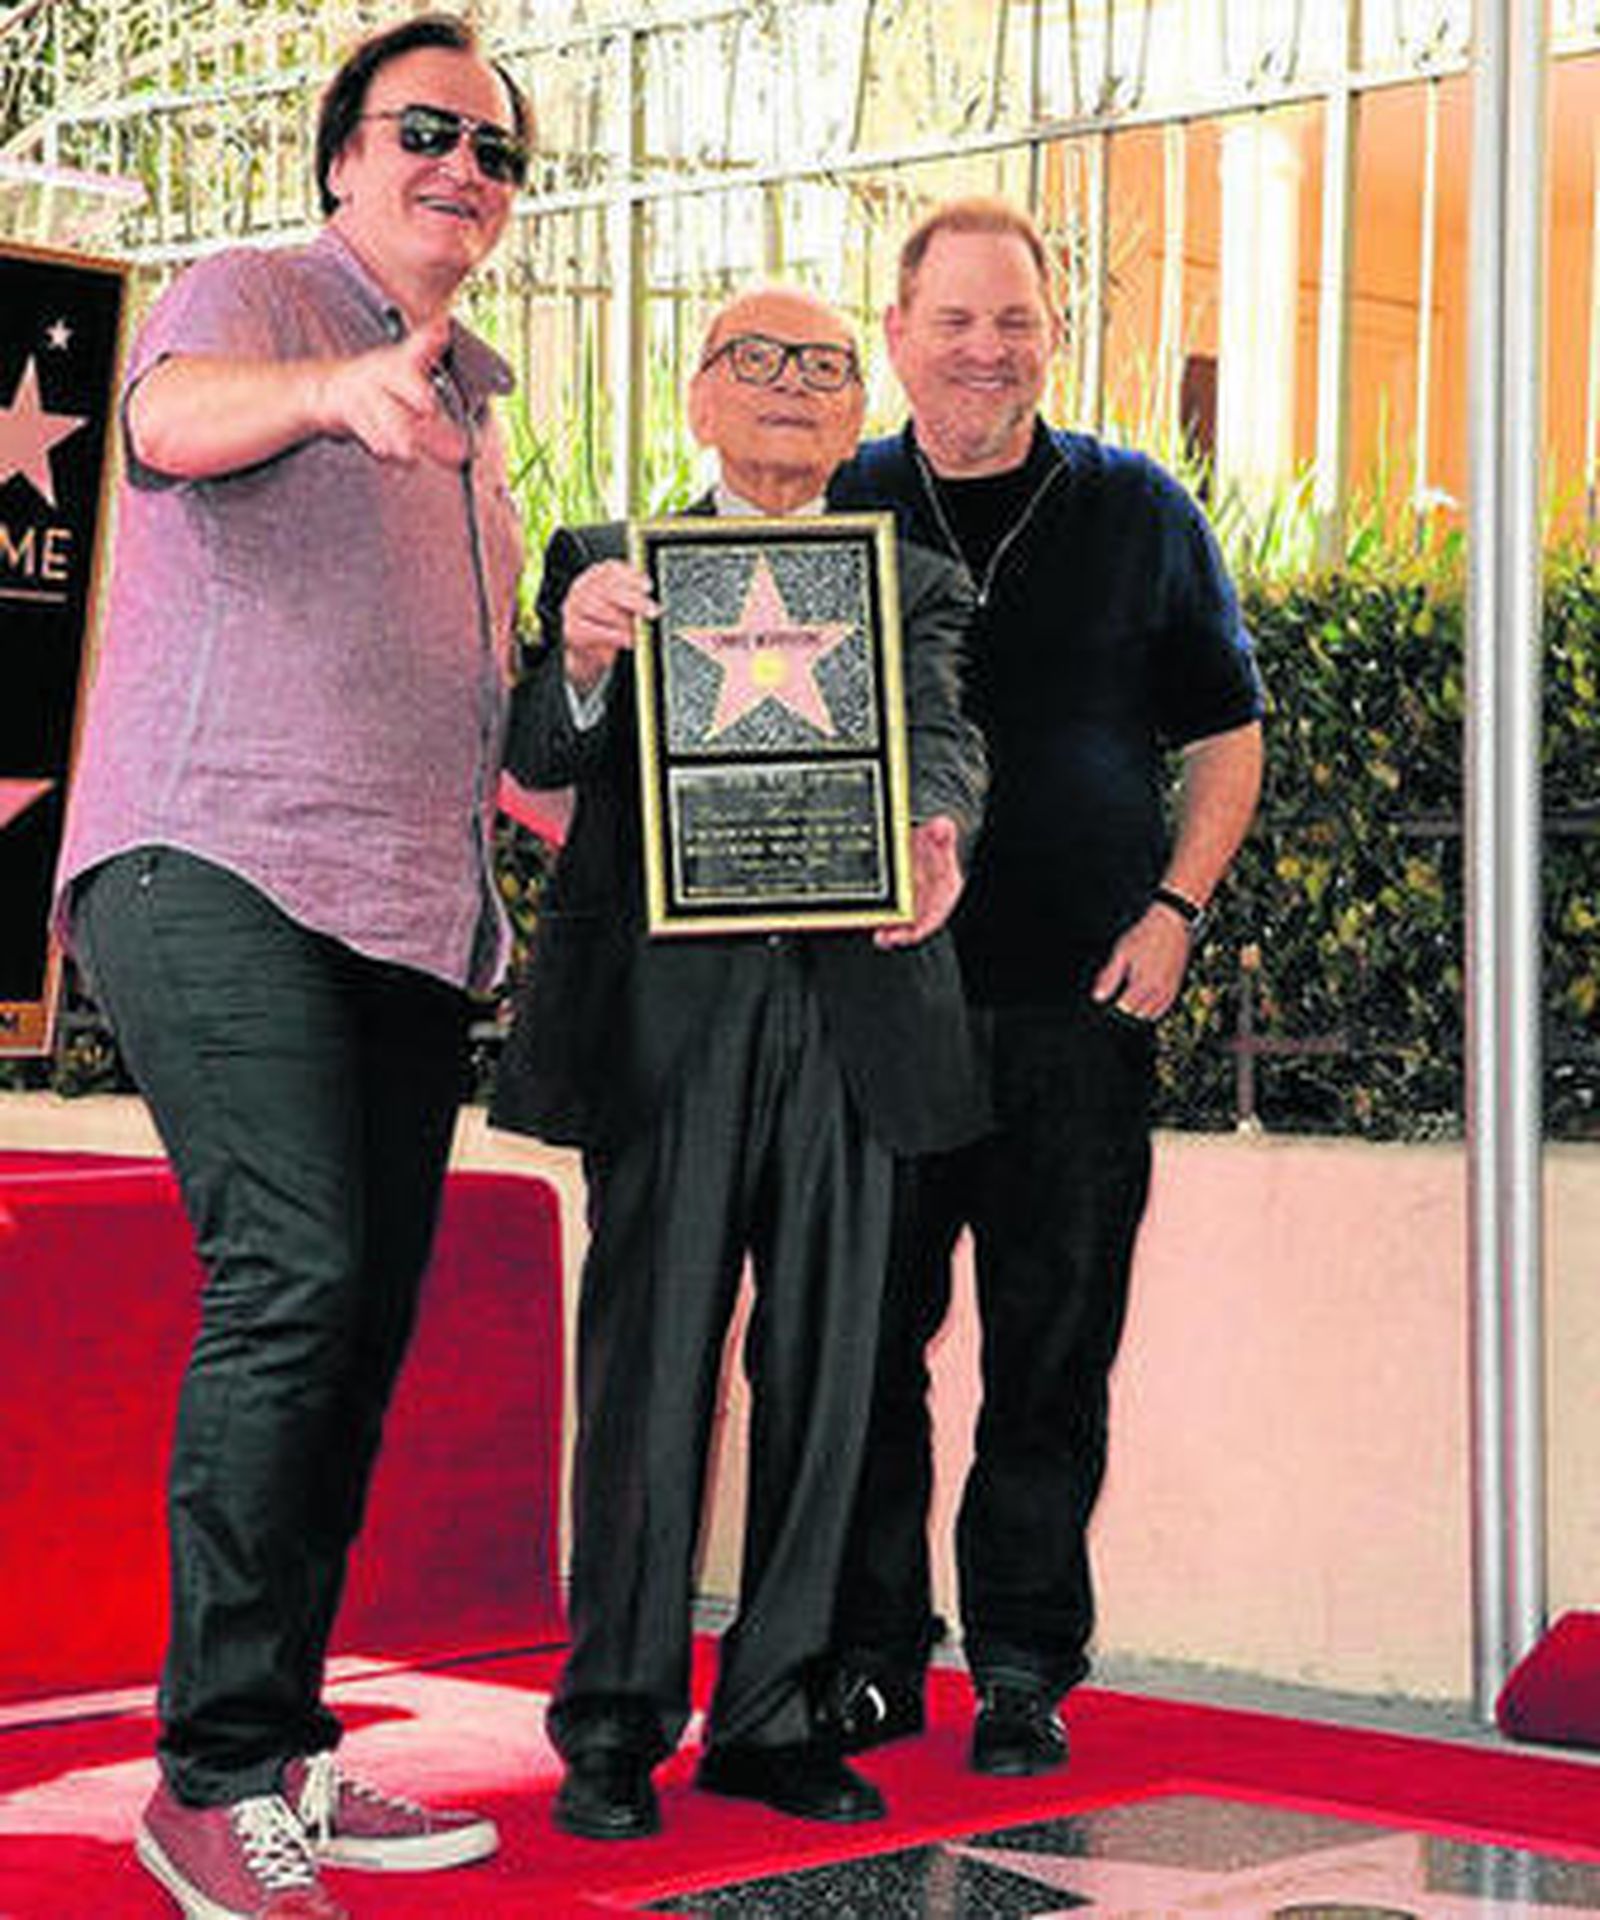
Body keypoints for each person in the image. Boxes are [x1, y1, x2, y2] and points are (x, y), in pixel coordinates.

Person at [52, 15, 532, 1917]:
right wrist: (330, 395)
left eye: (497, 154)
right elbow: (161, 429)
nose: (463, 172)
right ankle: (211, 1777)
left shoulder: (478, 408)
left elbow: (478, 724)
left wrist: (601, 704)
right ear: (341, 155)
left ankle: (284, 1746)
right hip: (213, 862)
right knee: (297, 1276)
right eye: (427, 132)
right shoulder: (250, 296)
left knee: (357, 1321)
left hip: (408, 913)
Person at [490, 285, 988, 1841]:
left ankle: (773, 1713)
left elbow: (951, 736)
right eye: (755, 363)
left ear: (858, 413)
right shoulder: (604, 564)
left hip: (857, 1011)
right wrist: (576, 665)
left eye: (824, 368)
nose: (791, 388)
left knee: (831, 1375)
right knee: (645, 1374)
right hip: (668, 1026)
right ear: (697, 398)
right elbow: (535, 755)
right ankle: (614, 1724)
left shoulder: (909, 577)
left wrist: (940, 830)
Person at [821, 197, 1265, 1777]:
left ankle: (1021, 1663)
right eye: (955, 320)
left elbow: (1226, 729)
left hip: (1083, 1009)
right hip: (878, 1011)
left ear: (1052, 338)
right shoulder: (834, 501)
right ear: (898, 334)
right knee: (857, 1344)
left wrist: (1177, 909)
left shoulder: (1139, 509)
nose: (986, 350)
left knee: (1051, 1347)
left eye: (1016, 321)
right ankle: (868, 1659)